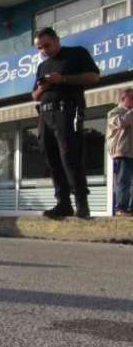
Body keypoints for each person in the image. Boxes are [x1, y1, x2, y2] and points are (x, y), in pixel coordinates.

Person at [32, 27, 100, 219]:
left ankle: (82, 204)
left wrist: (62, 79)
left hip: (67, 111)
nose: (44, 50)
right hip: (45, 115)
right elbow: (34, 96)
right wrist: (43, 87)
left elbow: (94, 76)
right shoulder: (42, 67)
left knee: (70, 157)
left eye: (47, 45)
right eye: (39, 48)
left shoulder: (76, 53)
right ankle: (63, 204)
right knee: (52, 160)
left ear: (57, 40)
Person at [106, 88, 133, 217]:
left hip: (132, 152)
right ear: (123, 99)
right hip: (122, 152)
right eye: (132, 98)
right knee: (123, 181)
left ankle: (130, 208)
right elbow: (120, 123)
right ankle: (121, 208)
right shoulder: (114, 112)